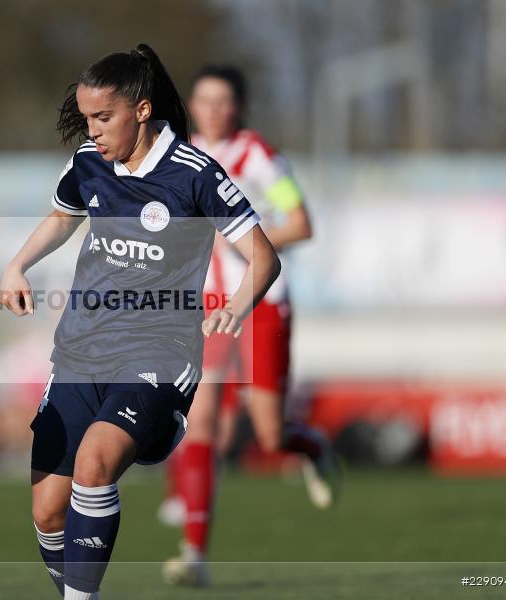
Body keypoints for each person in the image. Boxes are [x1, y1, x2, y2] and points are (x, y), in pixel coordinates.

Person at [0, 45, 280, 600]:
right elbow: (63, 215)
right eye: (87, 119)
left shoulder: (193, 174)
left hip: (159, 352)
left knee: (94, 461)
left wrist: (233, 307)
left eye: (104, 118)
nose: (94, 131)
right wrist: (17, 265)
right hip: (80, 352)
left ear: (143, 109)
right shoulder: (89, 161)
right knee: (49, 511)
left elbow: (264, 258)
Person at [160, 65, 341, 587]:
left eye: (223, 101)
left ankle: (310, 447)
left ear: (238, 107)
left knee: (267, 433)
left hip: (262, 301)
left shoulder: (257, 156)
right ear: (191, 105)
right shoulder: (175, 154)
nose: (213, 109)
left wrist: (245, 241)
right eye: (204, 100)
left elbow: (300, 222)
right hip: (207, 304)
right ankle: (194, 553)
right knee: (203, 419)